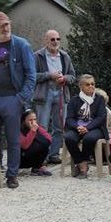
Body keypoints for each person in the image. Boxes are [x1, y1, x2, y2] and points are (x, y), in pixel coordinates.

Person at [0, 11, 36, 189]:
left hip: (12, 98)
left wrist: (20, 99)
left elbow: (31, 75)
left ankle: (12, 175)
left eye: (7, 24)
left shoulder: (21, 45)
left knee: (13, 140)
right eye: (2, 25)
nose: (6, 28)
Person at [33, 30, 76, 165]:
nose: (55, 42)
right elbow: (31, 76)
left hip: (61, 93)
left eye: (58, 39)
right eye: (52, 39)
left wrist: (64, 78)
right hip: (44, 94)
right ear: (46, 40)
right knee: (42, 126)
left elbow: (73, 76)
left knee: (60, 127)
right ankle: (42, 155)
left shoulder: (65, 56)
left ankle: (54, 154)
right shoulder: (37, 56)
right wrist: (49, 75)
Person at [64, 75, 110, 179]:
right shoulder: (74, 100)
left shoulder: (99, 99)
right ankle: (82, 163)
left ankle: (82, 166)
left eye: (92, 84)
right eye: (87, 84)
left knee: (89, 138)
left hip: (95, 128)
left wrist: (87, 128)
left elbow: (101, 117)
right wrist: (77, 127)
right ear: (81, 86)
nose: (91, 86)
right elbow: (69, 119)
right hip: (78, 127)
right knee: (69, 138)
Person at [19, 109, 53, 176]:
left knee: (44, 143)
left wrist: (37, 130)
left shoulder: (36, 126)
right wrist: (32, 131)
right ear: (24, 120)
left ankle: (37, 167)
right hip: (21, 158)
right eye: (30, 120)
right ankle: (37, 167)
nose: (33, 122)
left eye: (34, 119)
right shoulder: (18, 129)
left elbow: (49, 139)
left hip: (31, 156)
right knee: (41, 143)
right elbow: (24, 146)